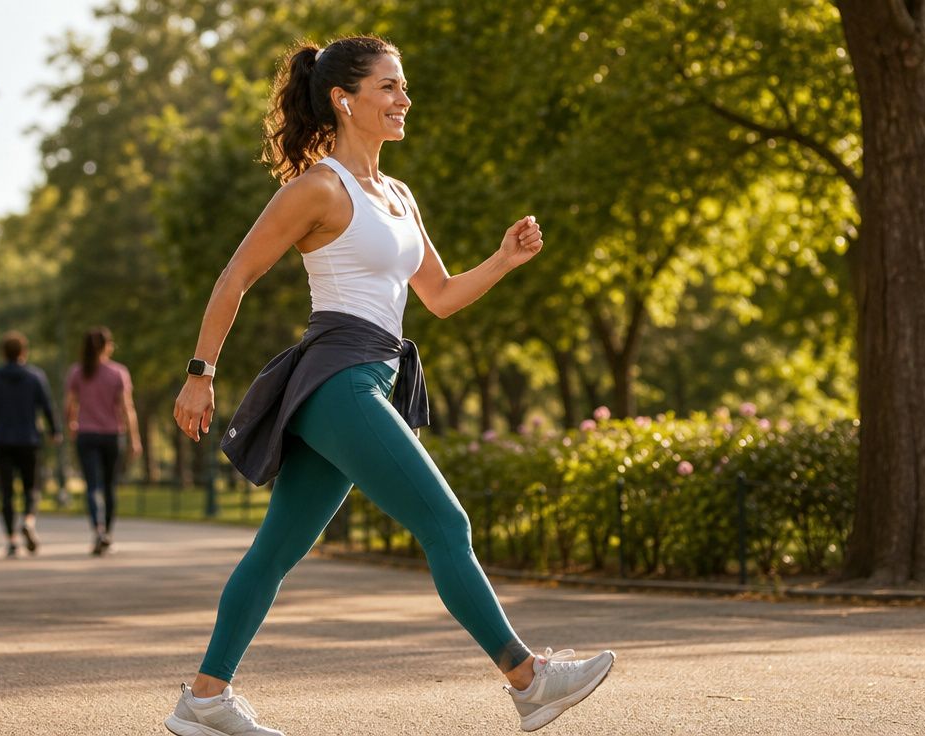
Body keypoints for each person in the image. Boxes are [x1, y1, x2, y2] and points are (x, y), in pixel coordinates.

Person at [167, 37, 614, 736]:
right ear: (345, 100)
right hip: (337, 377)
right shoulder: (318, 188)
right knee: (448, 523)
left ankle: (204, 698)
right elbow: (236, 277)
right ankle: (529, 681)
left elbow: (436, 295)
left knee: (277, 550)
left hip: (374, 371)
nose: (404, 99)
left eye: (403, 87)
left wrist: (502, 260)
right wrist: (201, 374)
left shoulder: (397, 195)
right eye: (389, 88)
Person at [0, 331, 61, 558]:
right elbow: (47, 406)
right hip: (29, 439)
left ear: (3, 353)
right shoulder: (35, 376)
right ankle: (28, 520)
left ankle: (11, 540)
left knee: (5, 492)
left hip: (2, 440)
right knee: (31, 488)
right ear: (24, 352)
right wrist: (55, 431)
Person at [65, 326, 141, 555]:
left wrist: (71, 424)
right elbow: (128, 408)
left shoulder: (78, 372)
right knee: (109, 486)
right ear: (107, 346)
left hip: (86, 434)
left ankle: (98, 530)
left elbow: (69, 404)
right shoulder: (118, 372)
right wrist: (134, 439)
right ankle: (107, 532)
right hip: (111, 435)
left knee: (92, 486)